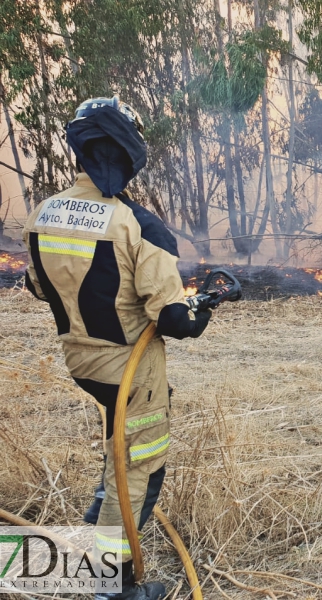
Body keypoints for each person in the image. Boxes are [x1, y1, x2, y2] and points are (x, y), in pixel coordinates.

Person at [22, 97, 211, 600]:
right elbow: (173, 320)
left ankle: (95, 528)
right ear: (129, 152)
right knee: (140, 469)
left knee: (119, 451)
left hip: (81, 361)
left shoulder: (44, 213)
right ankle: (113, 586)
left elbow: (37, 286)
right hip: (131, 370)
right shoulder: (139, 225)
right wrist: (204, 309)